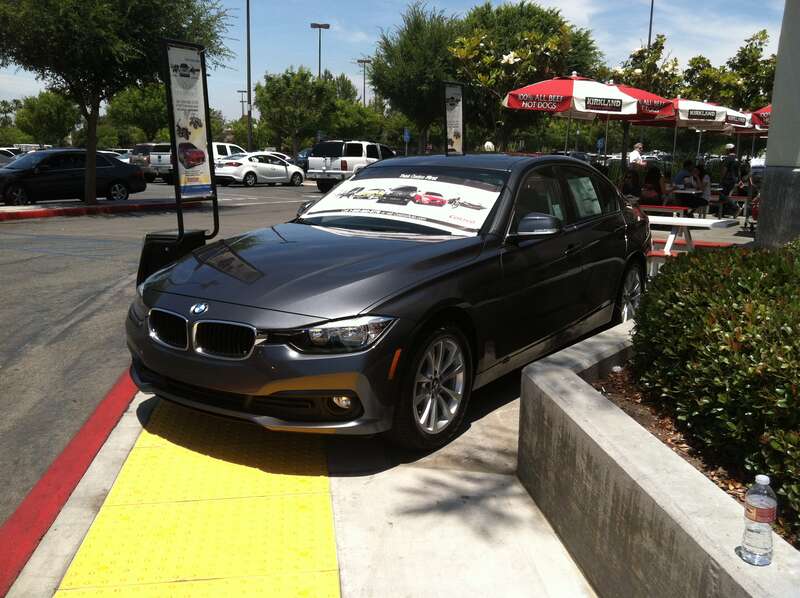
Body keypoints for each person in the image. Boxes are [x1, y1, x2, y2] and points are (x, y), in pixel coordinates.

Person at [720, 143, 742, 217]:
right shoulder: (737, 158)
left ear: (728, 150)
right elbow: (738, 171)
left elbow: (724, 170)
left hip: (727, 179)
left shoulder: (728, 158)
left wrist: (721, 178)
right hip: (734, 180)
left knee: (723, 195)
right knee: (725, 195)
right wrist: (739, 180)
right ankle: (722, 212)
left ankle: (736, 208)